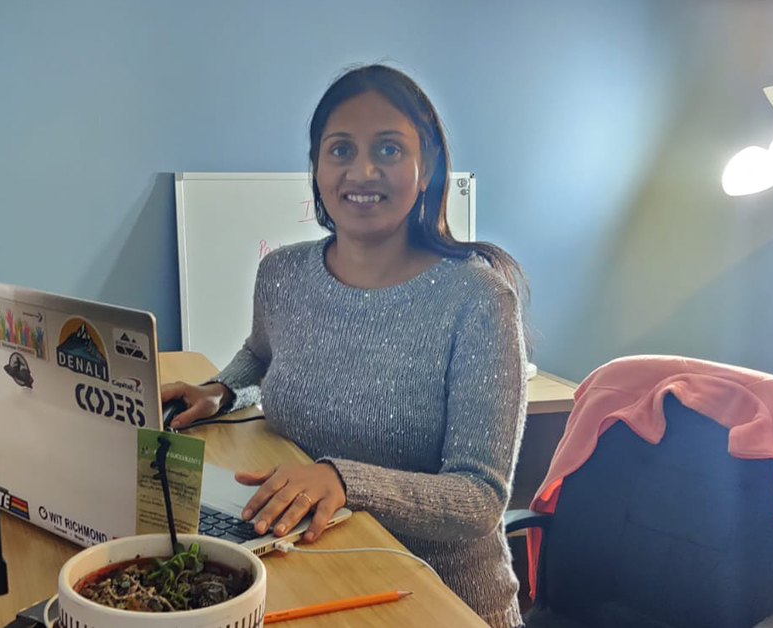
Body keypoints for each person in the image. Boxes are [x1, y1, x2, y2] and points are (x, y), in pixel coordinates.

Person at [161, 64, 529, 628]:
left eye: (387, 149)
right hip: (301, 564)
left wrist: (344, 480)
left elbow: (479, 499)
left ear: (424, 166)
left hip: (436, 598)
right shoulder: (283, 273)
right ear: (316, 166)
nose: (362, 170)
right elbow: (261, 354)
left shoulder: (478, 299)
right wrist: (220, 392)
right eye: (340, 150)